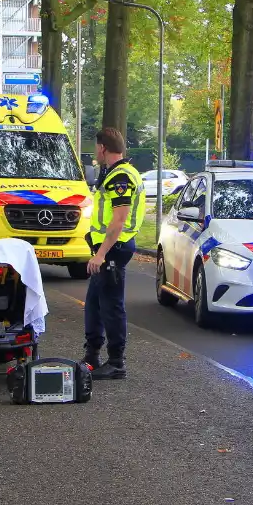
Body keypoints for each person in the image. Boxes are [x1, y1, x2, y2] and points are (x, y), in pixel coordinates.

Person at [81, 127, 145, 380]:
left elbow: (119, 220)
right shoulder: (114, 174)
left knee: (111, 306)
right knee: (95, 305)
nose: (96, 152)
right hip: (106, 249)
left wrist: (101, 255)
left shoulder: (121, 177)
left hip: (113, 250)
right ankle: (92, 356)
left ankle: (116, 362)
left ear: (102, 148)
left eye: (96, 148)